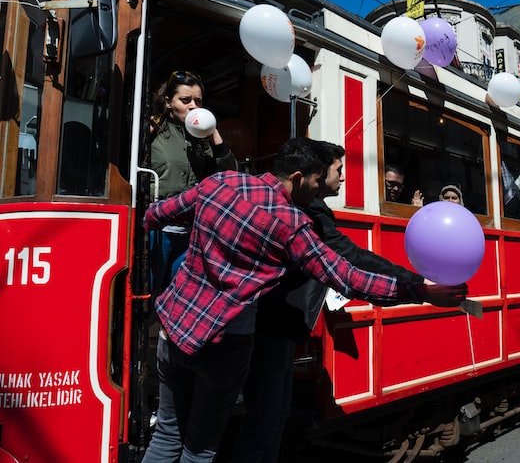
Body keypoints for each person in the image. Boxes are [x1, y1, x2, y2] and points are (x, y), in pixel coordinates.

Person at [141, 138, 467, 462]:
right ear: (298, 177)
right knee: (200, 448)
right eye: (316, 179)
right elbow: (348, 277)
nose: (317, 187)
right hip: (225, 341)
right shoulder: (291, 225)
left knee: (167, 435)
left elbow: (154, 216)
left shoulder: (220, 182)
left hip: (173, 327)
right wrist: (420, 291)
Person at [232, 142, 453, 463]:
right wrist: (417, 283)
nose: (344, 178)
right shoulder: (308, 214)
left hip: (267, 324)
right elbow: (348, 267)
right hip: (273, 326)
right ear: (318, 173)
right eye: (339, 171)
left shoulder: (287, 203)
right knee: (264, 424)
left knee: (268, 420)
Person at [148, 70, 237, 297]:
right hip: (158, 228)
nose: (193, 106)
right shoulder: (154, 130)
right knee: (148, 291)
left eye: (198, 101)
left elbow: (228, 176)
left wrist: (215, 137)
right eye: (185, 100)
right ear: (169, 102)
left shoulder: (201, 139)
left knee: (181, 296)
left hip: (191, 230)